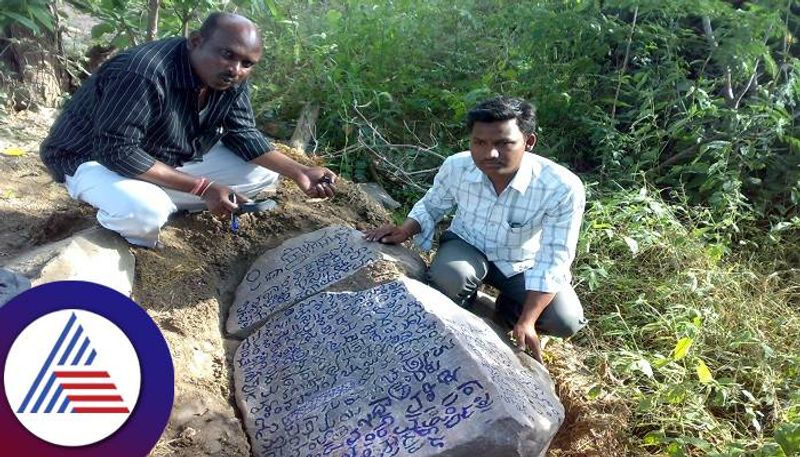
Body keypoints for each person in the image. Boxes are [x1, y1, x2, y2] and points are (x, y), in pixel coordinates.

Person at [40, 12, 336, 248]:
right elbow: (117, 151)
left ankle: (156, 193)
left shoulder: (229, 79)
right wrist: (202, 187)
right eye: (228, 55)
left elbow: (241, 134)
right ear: (195, 41)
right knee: (145, 214)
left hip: (161, 155)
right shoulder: (143, 72)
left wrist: (300, 172)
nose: (236, 69)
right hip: (91, 160)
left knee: (263, 172)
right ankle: (135, 219)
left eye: (247, 63)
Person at [364, 96, 586, 362]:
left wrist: (528, 320)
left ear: (529, 142)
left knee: (565, 319)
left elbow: (554, 259)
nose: (489, 154)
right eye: (479, 143)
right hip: (467, 244)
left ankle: (507, 313)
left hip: (522, 262)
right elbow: (433, 204)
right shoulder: (458, 166)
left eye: (503, 144)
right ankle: (461, 317)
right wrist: (405, 230)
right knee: (450, 277)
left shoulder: (561, 187)